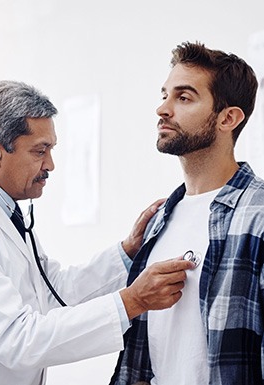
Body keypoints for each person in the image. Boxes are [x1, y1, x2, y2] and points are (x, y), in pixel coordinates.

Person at [0, 81, 193, 385]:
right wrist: (132, 301)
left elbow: (53, 293)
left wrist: (127, 253)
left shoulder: (5, 212)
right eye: (40, 151)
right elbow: (17, 339)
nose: (50, 164)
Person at [109, 41, 263, 385]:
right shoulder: (158, 221)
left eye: (183, 97)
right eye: (164, 94)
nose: (163, 109)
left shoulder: (258, 216)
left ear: (228, 118)